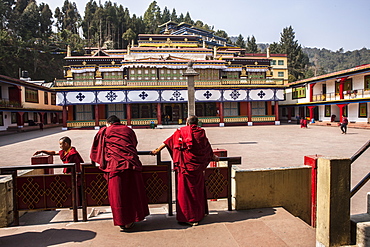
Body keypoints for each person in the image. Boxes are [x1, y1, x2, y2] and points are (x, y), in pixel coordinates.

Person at [151, 115, 218, 226]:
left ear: (187, 123)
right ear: (197, 123)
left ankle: (187, 217)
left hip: (185, 168)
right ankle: (198, 215)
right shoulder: (201, 133)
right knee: (197, 191)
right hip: (197, 169)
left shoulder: (181, 132)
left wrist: (157, 150)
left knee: (185, 193)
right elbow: (206, 147)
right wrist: (213, 156)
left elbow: (168, 142)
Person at [90, 115, 149, 231]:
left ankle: (122, 221)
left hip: (115, 166)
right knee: (133, 194)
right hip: (131, 165)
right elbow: (133, 143)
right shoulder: (128, 130)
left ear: (108, 123)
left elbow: (96, 148)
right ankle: (132, 219)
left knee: (118, 196)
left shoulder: (105, 131)